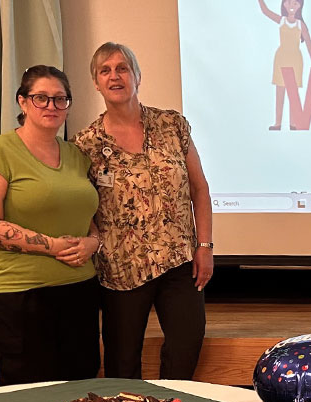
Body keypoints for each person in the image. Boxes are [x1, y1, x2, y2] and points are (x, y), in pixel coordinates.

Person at [72, 43, 214, 380]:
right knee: (122, 362)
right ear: (96, 82)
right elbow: (83, 205)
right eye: (105, 70)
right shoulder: (86, 143)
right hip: (121, 268)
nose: (114, 75)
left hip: (180, 260)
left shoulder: (171, 124)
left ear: (137, 76)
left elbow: (199, 188)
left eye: (122, 68)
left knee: (186, 346)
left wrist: (205, 247)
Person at [0, 65, 101, 385]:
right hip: (19, 295)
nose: (51, 106)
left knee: (82, 390)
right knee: (30, 395)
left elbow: (90, 218)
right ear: (22, 102)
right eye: (41, 98)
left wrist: (93, 243)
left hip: (79, 290)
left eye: (60, 99)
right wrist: (51, 246)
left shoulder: (77, 155)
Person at [258, 0, 311, 131]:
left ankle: (293, 123)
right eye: (289, 3)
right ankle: (277, 123)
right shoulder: (281, 20)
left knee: (293, 93)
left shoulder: (300, 24)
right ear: (284, 4)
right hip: (281, 59)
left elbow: (308, 42)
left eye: (295, 4)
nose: (292, 6)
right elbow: (265, 11)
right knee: (280, 91)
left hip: (295, 60)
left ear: (300, 6)